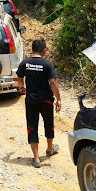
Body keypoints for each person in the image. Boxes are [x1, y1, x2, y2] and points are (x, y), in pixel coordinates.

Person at [17, 39, 61, 168]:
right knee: (49, 123)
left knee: (32, 126)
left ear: (32, 49)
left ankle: (36, 159)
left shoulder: (24, 63)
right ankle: (49, 148)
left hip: (31, 100)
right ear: (44, 50)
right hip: (46, 100)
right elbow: (52, 82)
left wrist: (22, 87)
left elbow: (19, 78)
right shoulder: (47, 64)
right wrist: (58, 99)